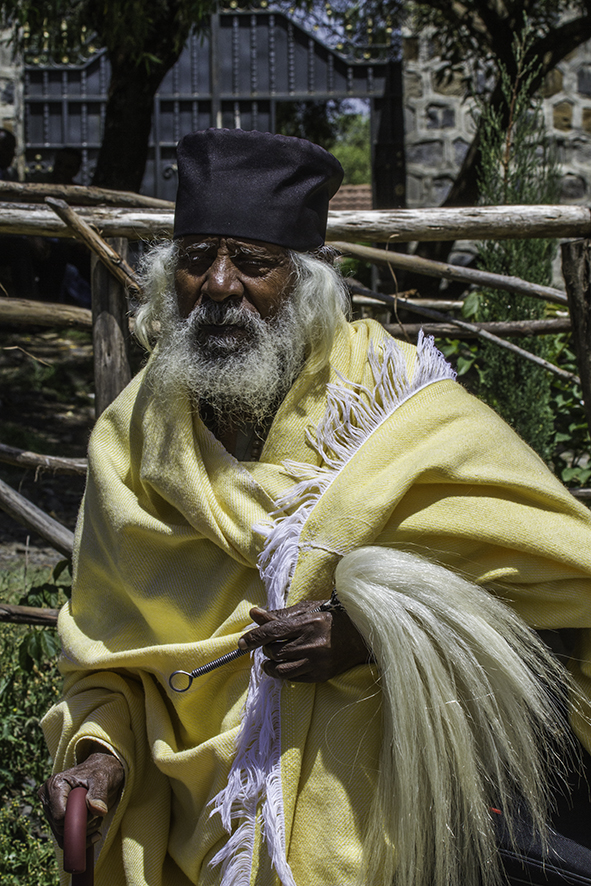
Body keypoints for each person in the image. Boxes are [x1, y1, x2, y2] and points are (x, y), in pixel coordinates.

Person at [39, 129, 591, 886]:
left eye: (254, 264)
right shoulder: (131, 445)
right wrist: (99, 757)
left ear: (305, 283)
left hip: (382, 844)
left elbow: (564, 588)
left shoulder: (401, 413)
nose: (222, 286)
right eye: (198, 260)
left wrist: (375, 629)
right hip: (199, 844)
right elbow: (111, 661)